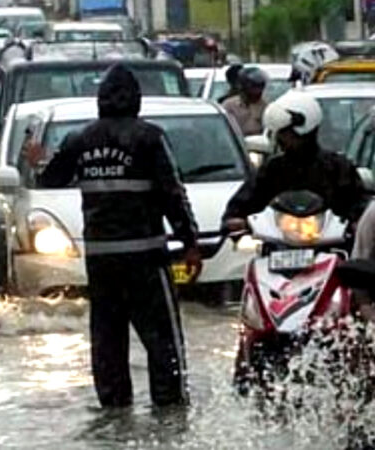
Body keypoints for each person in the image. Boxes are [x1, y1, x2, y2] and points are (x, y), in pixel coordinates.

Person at [25, 63, 202, 408]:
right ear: (136, 100)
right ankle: (171, 419)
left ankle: (114, 417)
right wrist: (190, 242)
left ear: (100, 101)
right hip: (146, 259)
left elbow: (50, 180)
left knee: (107, 342)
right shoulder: (150, 138)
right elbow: (173, 193)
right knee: (163, 343)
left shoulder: (80, 140)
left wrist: (37, 161)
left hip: (101, 261)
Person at [223, 92, 369, 233]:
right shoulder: (273, 169)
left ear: (304, 131)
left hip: (329, 244)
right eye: (279, 133)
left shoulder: (338, 168)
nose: (280, 138)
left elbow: (359, 204)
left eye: (286, 133)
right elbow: (246, 200)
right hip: (278, 243)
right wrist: (234, 219)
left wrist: (356, 222)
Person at [221, 66, 268, 136]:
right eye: (253, 89)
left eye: (260, 90)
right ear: (243, 88)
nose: (257, 94)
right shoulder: (229, 106)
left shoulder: (266, 106)